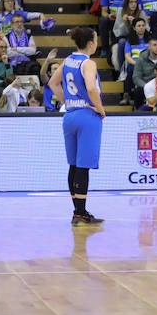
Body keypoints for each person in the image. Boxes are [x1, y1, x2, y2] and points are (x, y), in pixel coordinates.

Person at [48, 27, 106, 226]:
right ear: (91, 43)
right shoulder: (88, 63)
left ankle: (78, 211)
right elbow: (90, 87)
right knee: (83, 166)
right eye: (96, 39)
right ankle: (80, 213)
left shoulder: (68, 60)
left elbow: (52, 84)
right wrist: (99, 108)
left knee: (73, 164)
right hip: (87, 117)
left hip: (70, 115)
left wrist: (69, 102)